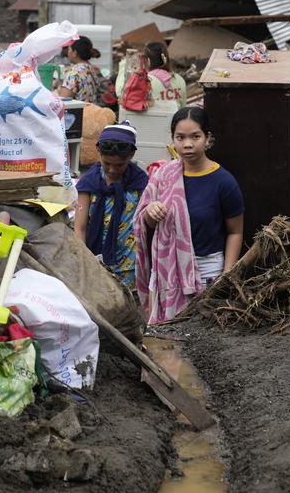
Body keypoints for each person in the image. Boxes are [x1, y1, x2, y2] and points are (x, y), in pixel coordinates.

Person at [134, 106, 244, 324]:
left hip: (207, 271)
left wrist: (227, 275)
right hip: (167, 273)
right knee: (168, 337)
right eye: (180, 137)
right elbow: (143, 224)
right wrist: (150, 213)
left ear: (208, 138)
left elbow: (235, 232)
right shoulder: (163, 176)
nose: (187, 144)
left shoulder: (224, 182)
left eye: (195, 136)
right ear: (172, 139)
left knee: (203, 339)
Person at [74, 121, 148, 289]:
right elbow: (80, 227)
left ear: (131, 156)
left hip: (130, 263)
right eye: (107, 164)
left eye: (119, 165)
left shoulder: (141, 183)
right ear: (98, 152)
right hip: (95, 261)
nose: (113, 170)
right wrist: (84, 261)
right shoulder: (88, 183)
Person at [116, 41, 187, 108]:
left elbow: (121, 92)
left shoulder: (145, 80)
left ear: (148, 61)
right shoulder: (179, 80)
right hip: (174, 120)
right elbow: (183, 108)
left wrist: (125, 63)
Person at [56, 36, 103, 103]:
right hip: (91, 111)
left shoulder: (74, 73)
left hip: (79, 112)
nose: (68, 53)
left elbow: (63, 100)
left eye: (69, 49)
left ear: (74, 53)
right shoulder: (92, 69)